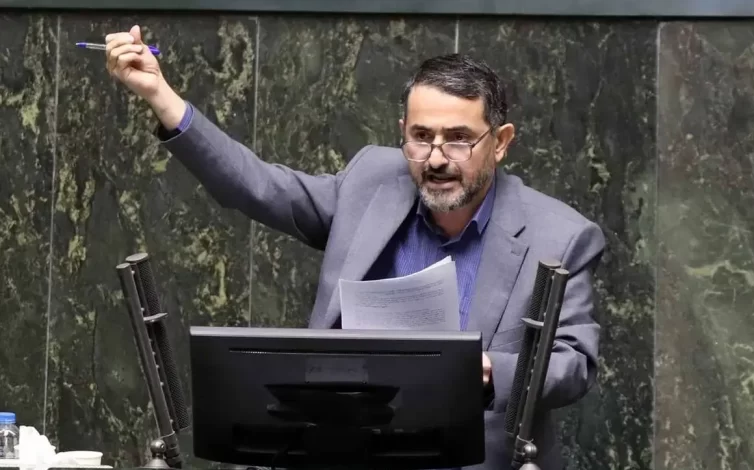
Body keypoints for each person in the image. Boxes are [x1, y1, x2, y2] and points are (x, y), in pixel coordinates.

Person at [105, 25, 606, 470]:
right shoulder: (372, 181)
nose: (435, 158)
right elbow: (258, 187)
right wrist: (160, 95)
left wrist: (491, 369)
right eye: (421, 137)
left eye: (458, 139)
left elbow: (574, 362)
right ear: (402, 133)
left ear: (500, 142)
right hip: (341, 452)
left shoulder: (559, 236)